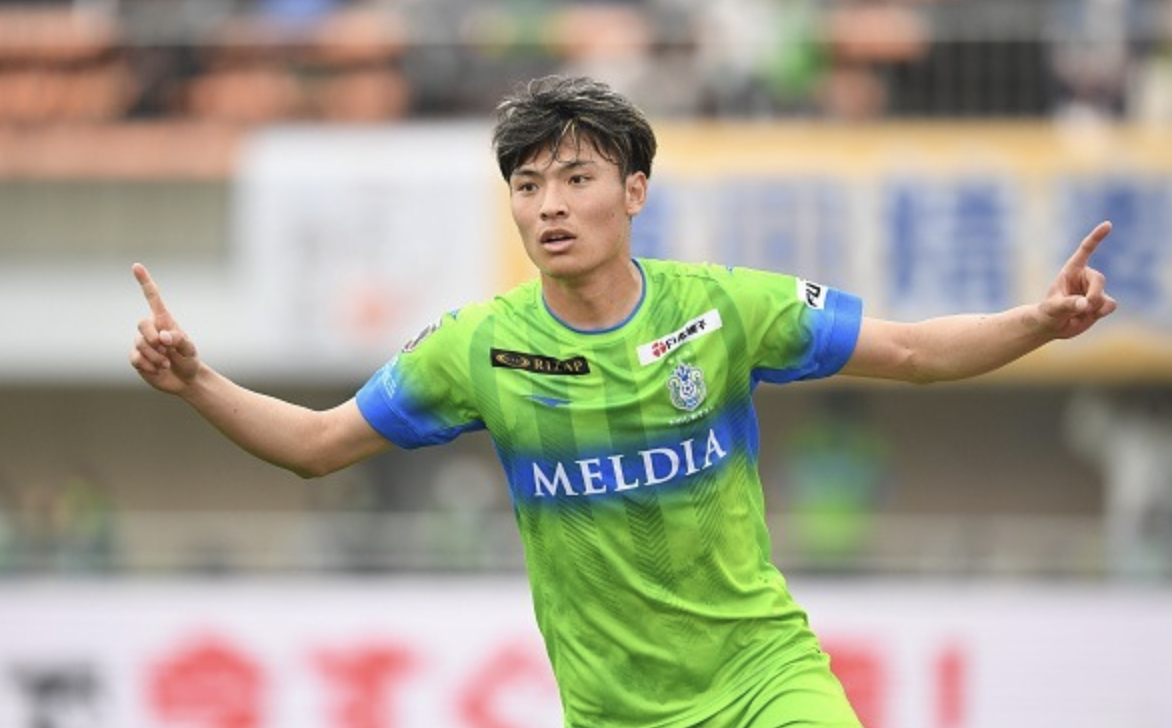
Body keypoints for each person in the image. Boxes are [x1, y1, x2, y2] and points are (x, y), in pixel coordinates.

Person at [130, 75, 1116, 728]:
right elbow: (316, 445)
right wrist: (196, 382)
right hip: (614, 712)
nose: (549, 204)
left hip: (763, 678)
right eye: (527, 186)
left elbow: (910, 351)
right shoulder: (479, 346)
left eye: (576, 177)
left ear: (634, 191)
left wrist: (1038, 321)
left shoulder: (723, 308)